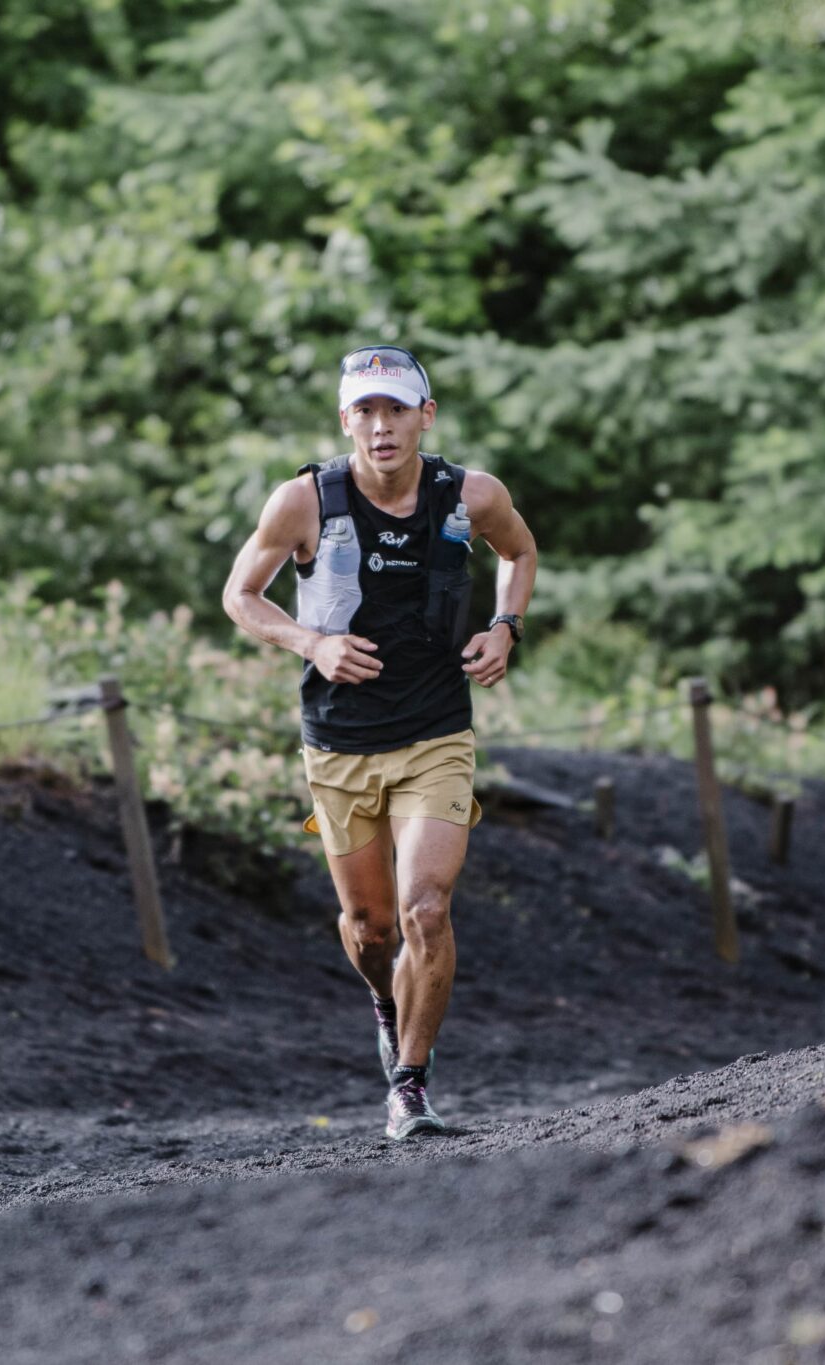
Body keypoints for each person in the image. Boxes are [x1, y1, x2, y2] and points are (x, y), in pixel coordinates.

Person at [222, 344, 537, 1140]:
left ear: (425, 415)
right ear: (344, 420)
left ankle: (410, 1084)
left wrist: (506, 625)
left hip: (436, 730)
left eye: (396, 407)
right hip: (338, 742)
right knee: (371, 929)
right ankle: (382, 996)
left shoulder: (469, 494)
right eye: (364, 410)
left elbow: (521, 552)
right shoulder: (304, 502)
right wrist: (311, 644)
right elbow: (239, 594)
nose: (381, 424)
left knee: (426, 908)